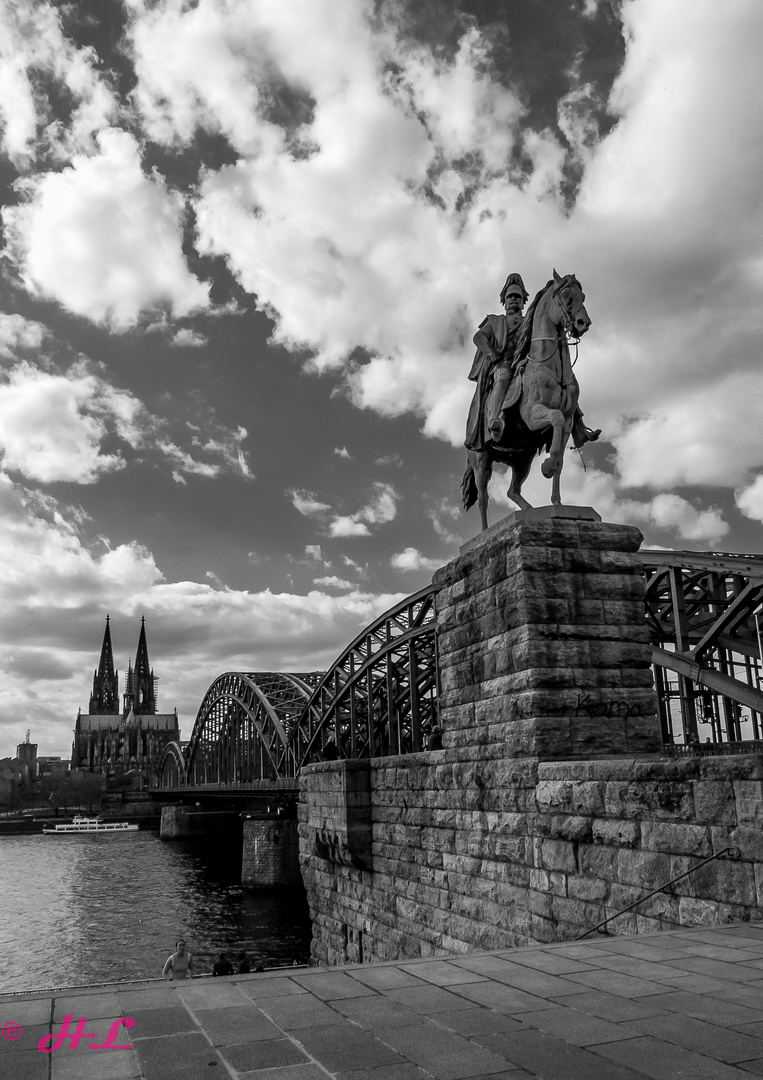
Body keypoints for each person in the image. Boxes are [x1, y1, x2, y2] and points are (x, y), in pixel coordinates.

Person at [465, 273, 528, 452]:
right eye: (510, 296)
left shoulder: (530, 321)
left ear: (524, 301)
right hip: (503, 362)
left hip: (526, 362)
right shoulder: (495, 321)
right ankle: (495, 418)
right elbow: (478, 337)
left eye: (518, 296)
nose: (514, 299)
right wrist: (492, 354)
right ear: (504, 301)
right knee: (503, 376)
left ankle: (576, 423)